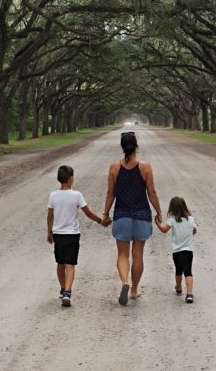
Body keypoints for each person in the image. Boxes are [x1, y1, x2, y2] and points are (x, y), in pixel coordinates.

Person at [102, 130, 162, 305]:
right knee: (138, 255)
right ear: (136, 146)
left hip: (122, 215)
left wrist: (105, 214)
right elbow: (151, 192)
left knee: (122, 254)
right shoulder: (145, 167)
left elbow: (110, 193)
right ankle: (134, 290)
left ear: (122, 147)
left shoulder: (114, 167)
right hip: (142, 214)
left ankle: (124, 282)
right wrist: (158, 211)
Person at [46, 164, 104, 307]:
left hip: (58, 234)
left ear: (59, 179)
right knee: (70, 264)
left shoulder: (53, 195)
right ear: (71, 179)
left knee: (60, 263)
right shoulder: (77, 195)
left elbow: (50, 216)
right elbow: (88, 212)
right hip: (72, 234)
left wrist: (49, 232)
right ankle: (68, 291)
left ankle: (62, 288)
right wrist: (100, 221)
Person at [154, 196, 197, 303]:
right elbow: (194, 230)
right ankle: (190, 293)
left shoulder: (172, 220)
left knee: (178, 270)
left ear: (172, 208)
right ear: (184, 207)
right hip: (188, 250)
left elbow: (164, 230)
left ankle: (178, 287)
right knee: (188, 272)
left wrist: (157, 223)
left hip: (177, 251)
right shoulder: (191, 219)